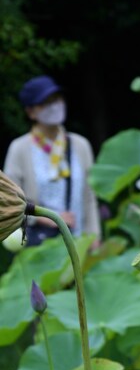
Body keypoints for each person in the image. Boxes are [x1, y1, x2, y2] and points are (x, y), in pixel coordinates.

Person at [3, 75, 100, 246]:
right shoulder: (19, 149)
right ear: (31, 112)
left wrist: (95, 237)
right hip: (42, 246)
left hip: (80, 242)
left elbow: (89, 196)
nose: (54, 106)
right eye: (45, 102)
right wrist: (48, 219)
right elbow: (9, 203)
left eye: (56, 99)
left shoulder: (80, 145)